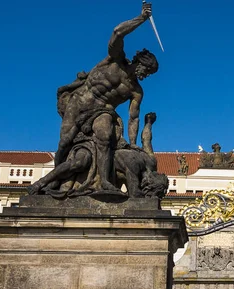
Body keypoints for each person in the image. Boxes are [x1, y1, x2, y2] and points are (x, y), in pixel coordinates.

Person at [52, 3, 159, 192]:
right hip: (80, 101)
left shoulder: (136, 91)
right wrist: (141, 18)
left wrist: (133, 144)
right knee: (64, 142)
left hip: (103, 111)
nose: (146, 75)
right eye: (147, 70)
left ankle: (105, 182)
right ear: (139, 62)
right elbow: (117, 33)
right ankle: (56, 179)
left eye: (149, 73)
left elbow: (133, 118)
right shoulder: (115, 59)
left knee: (105, 136)